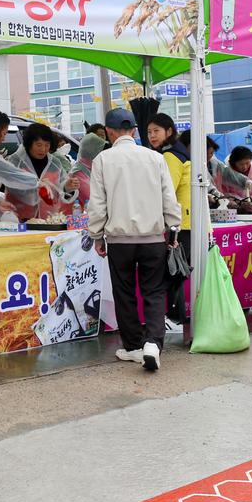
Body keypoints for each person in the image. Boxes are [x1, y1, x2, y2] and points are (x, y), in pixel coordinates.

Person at [88, 108, 181, 372]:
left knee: (125, 292)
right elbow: (168, 199)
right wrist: (172, 230)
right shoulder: (154, 158)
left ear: (109, 132)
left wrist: (97, 235)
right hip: (153, 238)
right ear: (134, 131)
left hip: (119, 241)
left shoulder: (103, 160)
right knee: (154, 291)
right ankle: (153, 343)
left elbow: (97, 205)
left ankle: (132, 347)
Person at [147, 113, 191, 333]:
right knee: (176, 273)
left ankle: (174, 318)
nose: (152, 135)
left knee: (173, 272)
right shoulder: (177, 153)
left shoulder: (171, 157)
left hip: (181, 224)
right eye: (149, 131)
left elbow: (166, 192)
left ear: (169, 131)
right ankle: (177, 318)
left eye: (156, 131)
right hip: (187, 221)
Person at [5, 123, 79, 221]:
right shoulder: (15, 161)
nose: (43, 149)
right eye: (39, 145)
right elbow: (13, 188)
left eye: (47, 145)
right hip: (19, 221)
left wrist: (66, 187)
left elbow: (60, 190)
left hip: (48, 221)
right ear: (29, 143)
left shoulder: (55, 163)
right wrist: (35, 186)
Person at [70, 133, 107, 205]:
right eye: (100, 150)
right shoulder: (79, 172)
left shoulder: (90, 166)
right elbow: (91, 198)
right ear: (93, 151)